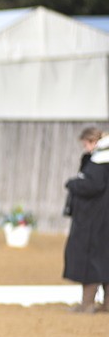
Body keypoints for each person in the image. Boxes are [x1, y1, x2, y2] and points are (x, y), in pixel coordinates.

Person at [63, 126, 109, 313]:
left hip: (95, 220)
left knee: (90, 258)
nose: (85, 148)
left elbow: (94, 186)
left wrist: (73, 183)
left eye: (86, 144)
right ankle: (106, 305)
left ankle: (87, 303)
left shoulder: (99, 161)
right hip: (104, 219)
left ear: (93, 141)